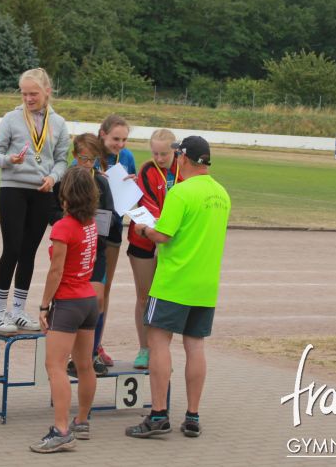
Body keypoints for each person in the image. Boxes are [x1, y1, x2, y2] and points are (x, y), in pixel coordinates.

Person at [126, 136, 230, 440]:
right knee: (195, 346)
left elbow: (163, 235)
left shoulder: (181, 192)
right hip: (205, 284)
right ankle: (192, 416)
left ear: (183, 158)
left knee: (158, 342)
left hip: (174, 282)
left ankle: (159, 414)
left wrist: (143, 228)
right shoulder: (221, 193)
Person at [0, 68, 69, 332]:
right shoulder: (11, 118)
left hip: (42, 192)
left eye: (33, 93)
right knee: (12, 248)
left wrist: (54, 178)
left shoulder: (59, 123)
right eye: (24, 93)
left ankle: (19, 309)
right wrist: (9, 159)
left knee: (29, 252)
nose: (28, 98)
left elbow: (61, 160)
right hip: (13, 189)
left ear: (47, 91)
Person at [30, 167, 100, 453]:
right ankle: (81, 421)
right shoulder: (91, 223)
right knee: (84, 365)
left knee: (55, 366)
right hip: (88, 300)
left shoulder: (63, 226)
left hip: (68, 302)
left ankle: (61, 430)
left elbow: (55, 271)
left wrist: (44, 305)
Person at [125, 128, 181, 369]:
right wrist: (158, 237)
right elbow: (147, 206)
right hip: (144, 239)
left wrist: (165, 237)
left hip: (172, 241)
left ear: (175, 151)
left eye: (164, 154)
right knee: (144, 297)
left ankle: (161, 352)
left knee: (165, 299)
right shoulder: (147, 170)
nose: (159, 158)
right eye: (155, 153)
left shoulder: (183, 170)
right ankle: (144, 349)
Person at [67, 133, 113, 377]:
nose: (88, 164)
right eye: (84, 158)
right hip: (71, 250)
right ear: (75, 155)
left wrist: (98, 226)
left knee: (97, 301)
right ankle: (70, 355)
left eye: (92, 160)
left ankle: (90, 354)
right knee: (70, 304)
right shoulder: (66, 178)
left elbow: (111, 215)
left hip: (97, 250)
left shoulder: (102, 182)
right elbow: (53, 211)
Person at [93, 114, 135, 366]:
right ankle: (74, 344)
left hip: (113, 228)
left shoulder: (127, 157)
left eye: (124, 140)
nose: (120, 144)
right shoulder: (88, 152)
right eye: (115, 139)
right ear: (103, 134)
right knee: (83, 287)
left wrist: (133, 184)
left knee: (104, 289)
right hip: (88, 228)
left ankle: (96, 344)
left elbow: (133, 191)